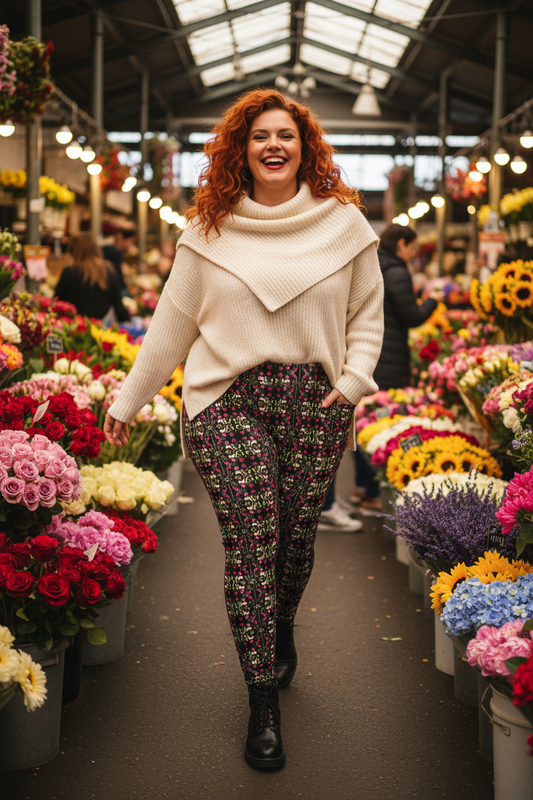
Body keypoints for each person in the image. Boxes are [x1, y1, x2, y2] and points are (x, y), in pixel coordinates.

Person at [103, 89, 384, 770]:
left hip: (314, 403)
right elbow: (171, 327)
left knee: (292, 548)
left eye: (285, 134)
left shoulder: (344, 226)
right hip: (225, 401)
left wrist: (349, 385)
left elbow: (366, 318)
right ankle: (260, 698)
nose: (273, 146)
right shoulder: (208, 232)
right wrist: (126, 401)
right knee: (253, 540)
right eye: (259, 135)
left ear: (305, 145)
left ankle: (279, 625)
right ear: (241, 148)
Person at [352, 223, 441, 516]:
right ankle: (373, 495)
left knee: (366, 422)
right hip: (389, 360)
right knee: (384, 425)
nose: (413, 253)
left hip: (370, 355)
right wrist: (433, 301)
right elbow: (412, 316)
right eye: (412, 247)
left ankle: (362, 488)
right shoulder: (398, 271)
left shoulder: (373, 265)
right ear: (402, 243)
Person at [55, 232, 130, 322]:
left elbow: (56, 304)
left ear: (74, 251)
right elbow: (119, 308)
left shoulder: (70, 272)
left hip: (73, 327)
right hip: (99, 328)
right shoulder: (108, 270)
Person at [102, 228, 136, 294]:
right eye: (131, 241)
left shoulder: (110, 249)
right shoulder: (112, 252)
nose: (130, 245)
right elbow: (117, 278)